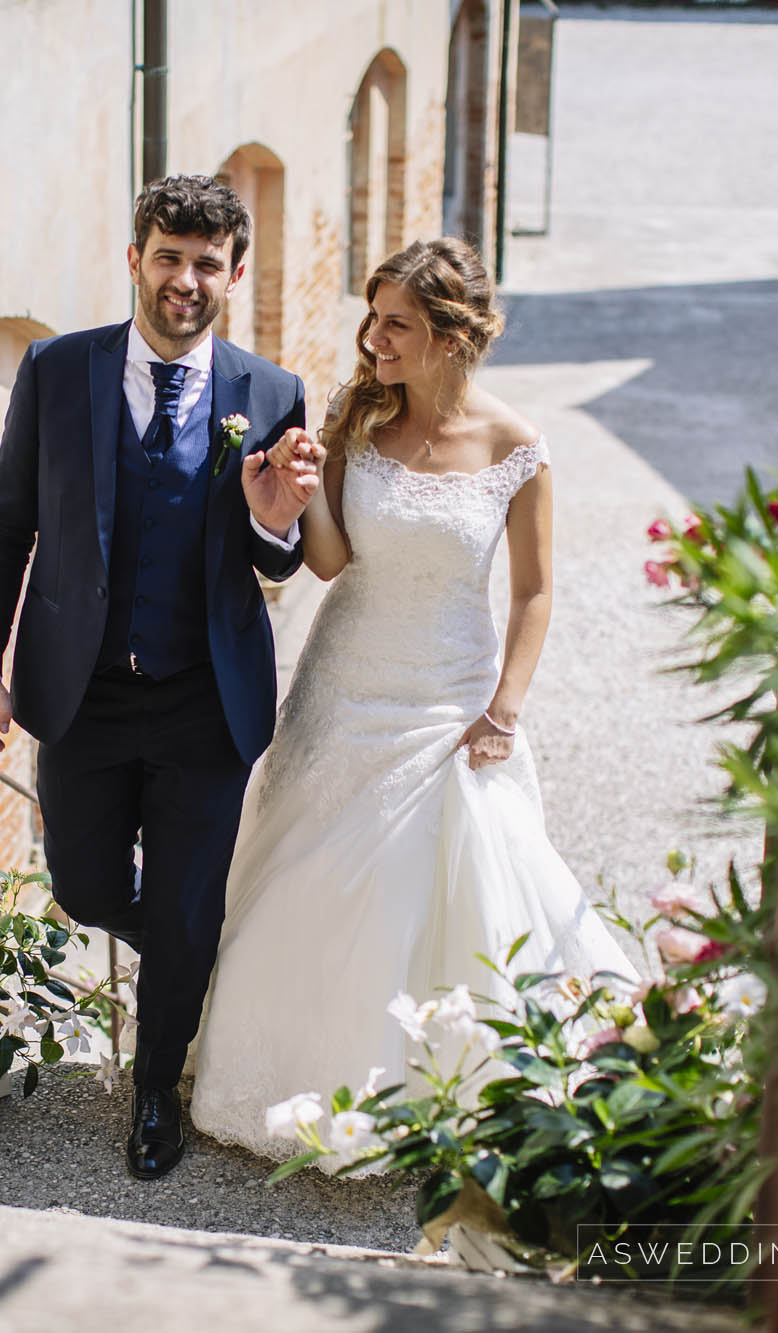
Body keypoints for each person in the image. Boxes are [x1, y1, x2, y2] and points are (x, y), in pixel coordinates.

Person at [189, 237, 639, 1157]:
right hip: (345, 685)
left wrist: (505, 708)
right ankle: (299, 1083)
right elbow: (330, 559)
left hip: (452, 699)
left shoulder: (517, 449)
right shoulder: (357, 412)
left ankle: (454, 1096)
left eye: (396, 321)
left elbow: (536, 591)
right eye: (373, 314)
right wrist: (301, 493)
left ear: (449, 333)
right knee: (308, 882)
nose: (373, 336)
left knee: (461, 884)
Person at [0, 174, 323, 1180]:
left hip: (208, 698)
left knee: (185, 899)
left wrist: (273, 514)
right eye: (167, 257)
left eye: (207, 263)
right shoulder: (54, 371)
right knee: (79, 884)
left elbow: (278, 559)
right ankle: (185, 944)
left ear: (233, 274)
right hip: (82, 690)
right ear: (134, 259)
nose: (185, 280)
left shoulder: (271, 391)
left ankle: (154, 1089)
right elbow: (3, 525)